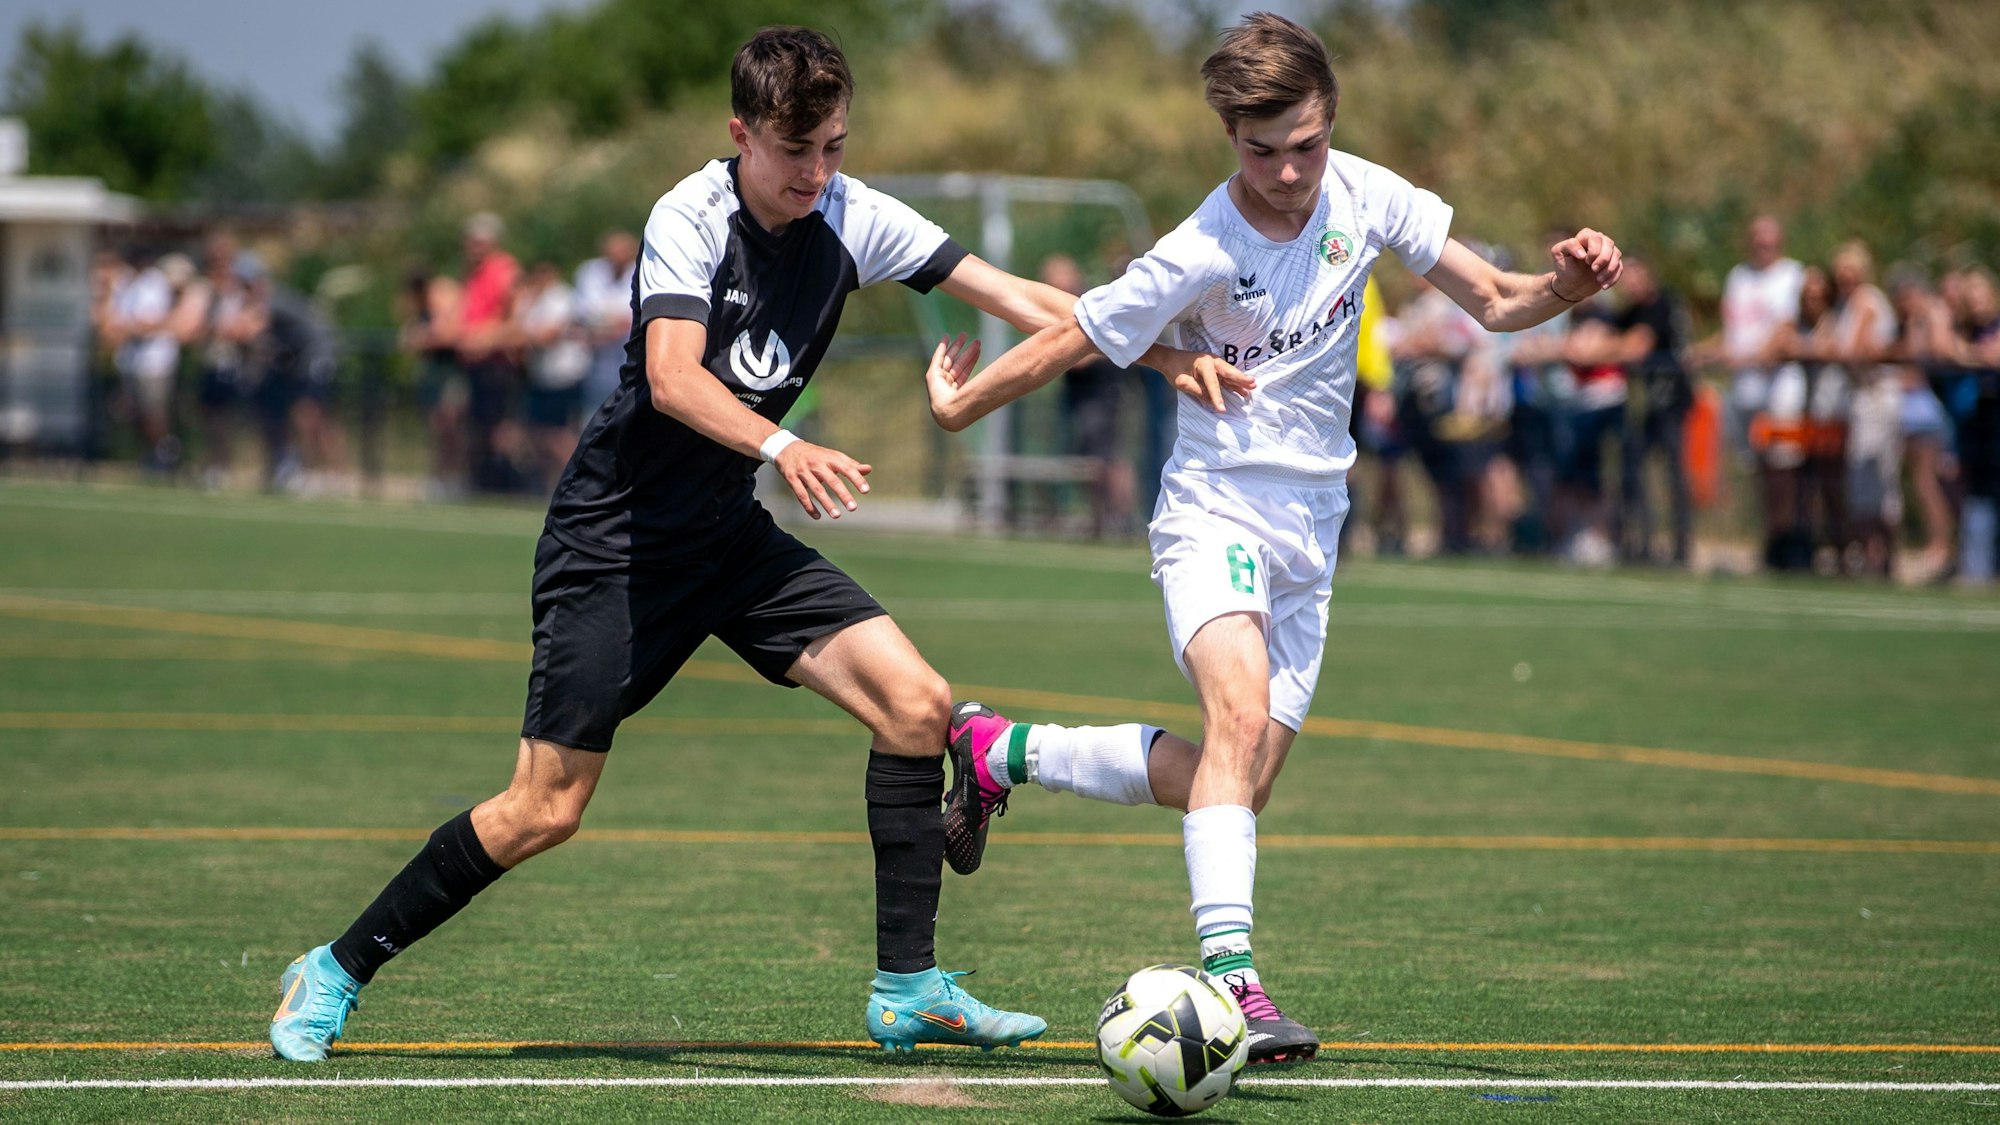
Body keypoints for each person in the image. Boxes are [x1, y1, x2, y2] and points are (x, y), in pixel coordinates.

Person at [268, 25, 1222, 1064]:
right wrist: (784, 443)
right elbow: (674, 378)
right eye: (795, 150)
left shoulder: (854, 215)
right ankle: (334, 968)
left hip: (725, 533)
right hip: (615, 543)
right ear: (742, 134)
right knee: (544, 808)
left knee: (914, 704)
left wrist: (1155, 352)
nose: (816, 172)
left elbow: (1020, 299)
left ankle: (907, 988)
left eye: (835, 149)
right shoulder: (689, 216)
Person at [920, 12, 1620, 1065]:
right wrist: (958, 411)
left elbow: (1496, 300)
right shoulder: (1201, 245)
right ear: (1226, 138)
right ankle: (1235, 985)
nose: (1287, 172)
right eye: (1261, 152)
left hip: (1313, 527)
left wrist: (1566, 283)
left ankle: (999, 751)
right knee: (1236, 719)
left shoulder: (1369, 196)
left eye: (1304, 145)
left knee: (1231, 782)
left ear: (1328, 118)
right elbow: (1071, 336)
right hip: (1214, 510)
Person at [1042, 253, 1138, 537]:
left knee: (1106, 458)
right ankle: (1099, 517)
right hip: (1078, 395)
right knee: (1088, 459)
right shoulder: (1059, 308)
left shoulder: (1091, 302)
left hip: (1103, 394)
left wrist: (1061, 355)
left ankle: (1120, 518)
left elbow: (1093, 350)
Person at [1706, 215, 1804, 462]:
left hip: (1781, 386)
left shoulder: (1792, 274)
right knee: (1754, 466)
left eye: (1768, 242)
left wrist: (1745, 358)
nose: (1763, 247)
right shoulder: (1738, 276)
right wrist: (1705, 352)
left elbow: (1785, 330)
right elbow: (1732, 329)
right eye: (1758, 241)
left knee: (1784, 463)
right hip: (1744, 389)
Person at [511, 259, 592, 492]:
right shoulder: (531, 300)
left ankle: (579, 482)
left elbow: (548, 335)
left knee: (558, 435)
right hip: (542, 376)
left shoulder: (561, 297)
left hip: (563, 375)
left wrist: (518, 337)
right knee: (538, 433)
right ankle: (553, 485)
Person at [573, 230, 639, 415]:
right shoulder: (590, 272)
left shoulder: (639, 273)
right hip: (595, 363)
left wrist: (604, 323)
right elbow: (583, 314)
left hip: (627, 359)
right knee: (593, 416)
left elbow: (628, 320)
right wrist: (610, 324)